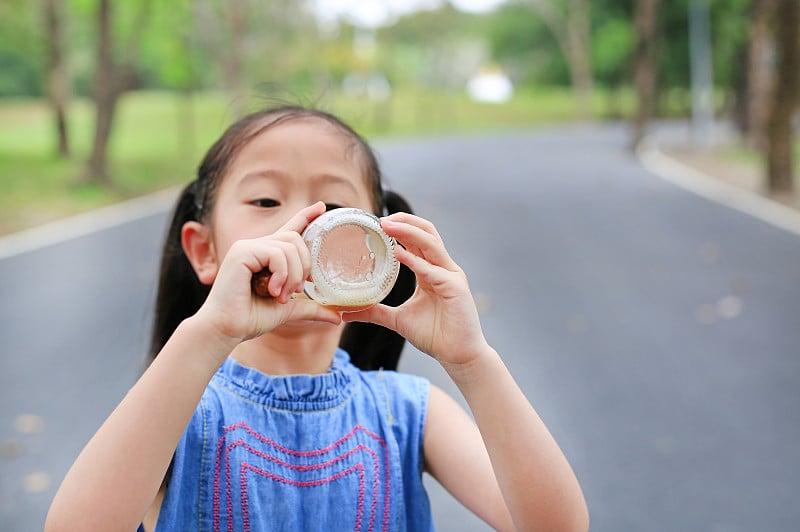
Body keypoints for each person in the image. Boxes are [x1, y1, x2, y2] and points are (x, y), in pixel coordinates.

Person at [45, 105, 588, 531]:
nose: (301, 227)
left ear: (380, 247)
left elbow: (555, 526)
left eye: (333, 209)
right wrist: (209, 331)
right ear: (205, 251)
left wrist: (472, 361)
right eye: (264, 200)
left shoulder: (410, 415)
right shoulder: (175, 411)